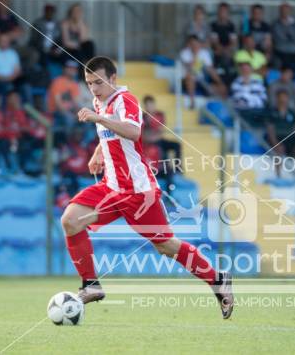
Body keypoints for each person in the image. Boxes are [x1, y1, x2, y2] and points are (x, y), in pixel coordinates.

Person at [59, 56, 233, 319]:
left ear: (113, 79)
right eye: (89, 83)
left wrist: (98, 119)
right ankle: (91, 285)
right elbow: (112, 136)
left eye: (98, 82)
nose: (94, 89)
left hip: (139, 192)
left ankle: (217, 278)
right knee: (71, 221)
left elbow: (132, 132)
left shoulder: (125, 100)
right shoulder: (100, 101)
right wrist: (98, 152)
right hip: (111, 188)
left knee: (166, 246)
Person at [180, 35, 226, 109]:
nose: (194, 46)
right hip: (186, 80)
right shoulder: (184, 53)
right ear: (189, 45)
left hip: (200, 81)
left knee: (221, 87)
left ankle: (223, 108)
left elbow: (210, 70)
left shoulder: (204, 53)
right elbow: (190, 69)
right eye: (192, 44)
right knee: (190, 78)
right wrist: (195, 54)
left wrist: (220, 82)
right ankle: (192, 103)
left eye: (196, 44)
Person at [271, 3, 295, 70]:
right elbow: (279, 39)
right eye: (283, 10)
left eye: (287, 11)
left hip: (294, 51)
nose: (285, 12)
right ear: (280, 11)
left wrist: (289, 28)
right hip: (281, 52)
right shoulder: (275, 24)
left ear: (290, 11)